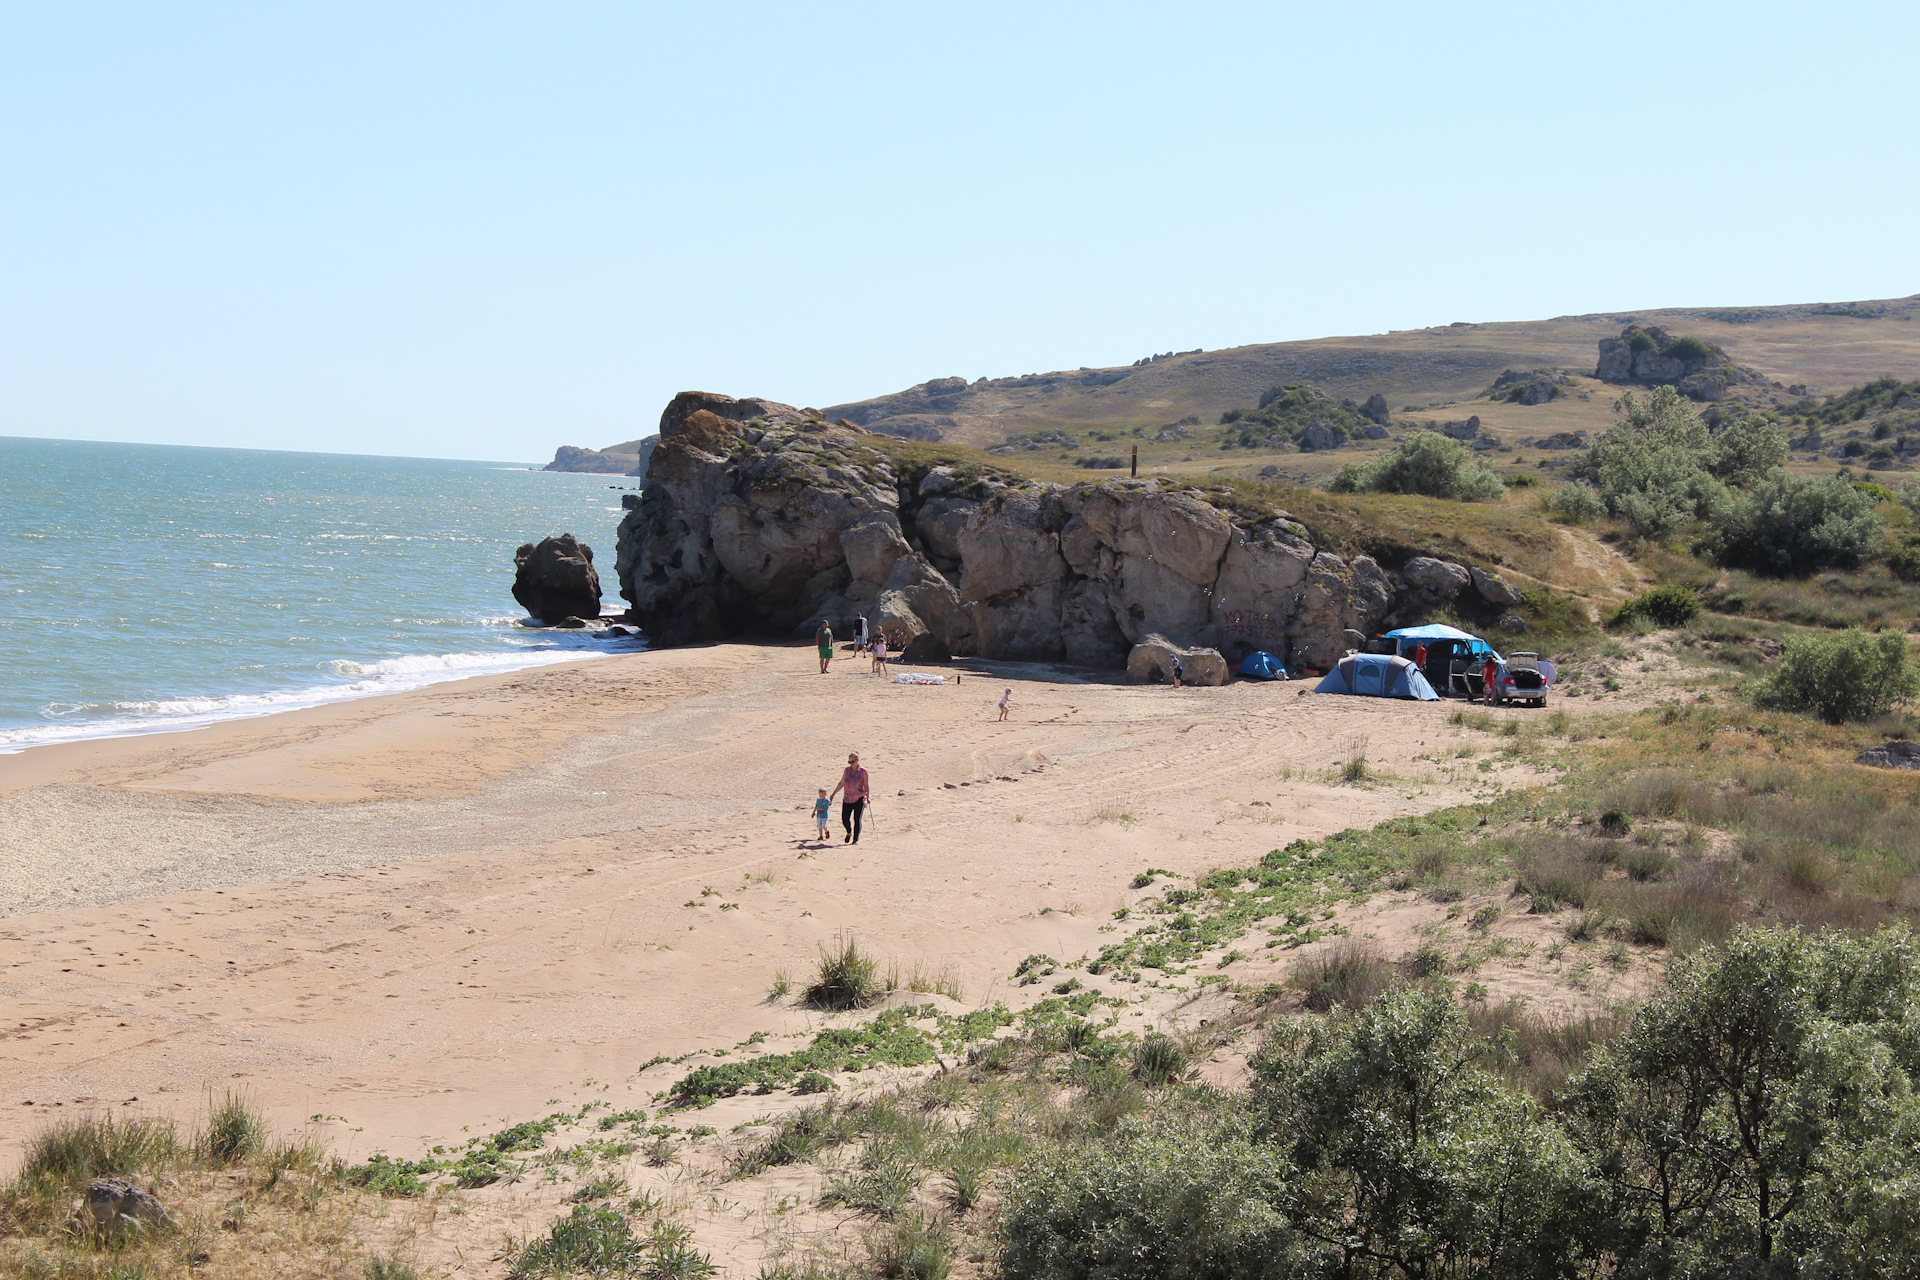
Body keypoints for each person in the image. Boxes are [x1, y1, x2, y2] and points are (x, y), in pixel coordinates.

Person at [830, 752, 870, 844]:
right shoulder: (847, 770)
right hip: (847, 798)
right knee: (845, 818)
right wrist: (833, 794)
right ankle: (849, 832)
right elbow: (841, 783)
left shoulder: (863, 772)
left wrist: (867, 797)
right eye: (849, 762)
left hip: (859, 798)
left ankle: (855, 839)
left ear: (857, 760)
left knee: (857, 819)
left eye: (852, 761)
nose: (850, 764)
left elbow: (866, 785)